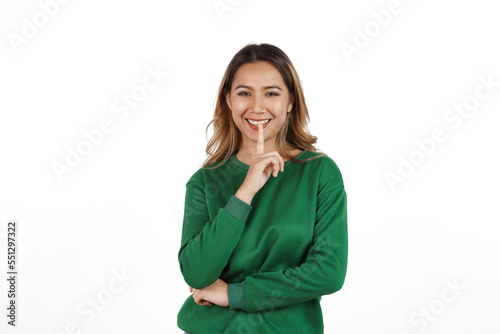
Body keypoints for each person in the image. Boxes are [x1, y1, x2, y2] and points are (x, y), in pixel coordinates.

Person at [177, 42, 348, 334]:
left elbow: (329, 272)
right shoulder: (204, 181)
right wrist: (246, 191)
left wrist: (236, 294)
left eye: (271, 93)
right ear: (228, 100)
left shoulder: (319, 172)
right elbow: (196, 273)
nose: (257, 107)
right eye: (244, 93)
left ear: (290, 101)